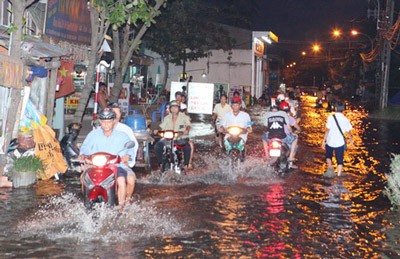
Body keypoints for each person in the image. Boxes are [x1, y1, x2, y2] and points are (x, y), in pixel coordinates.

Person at [78, 108, 135, 207]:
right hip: (95, 166)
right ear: (100, 122)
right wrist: (82, 155)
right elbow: (85, 148)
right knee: (83, 177)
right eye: (104, 122)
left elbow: (129, 148)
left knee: (122, 180)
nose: (106, 125)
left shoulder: (122, 135)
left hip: (116, 165)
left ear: (113, 121)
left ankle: (122, 207)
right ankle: (86, 203)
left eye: (109, 122)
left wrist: (127, 156)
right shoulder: (93, 135)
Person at [109, 103, 139, 201]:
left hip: (120, 163)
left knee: (130, 179)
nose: (115, 115)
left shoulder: (125, 130)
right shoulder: (99, 129)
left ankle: (127, 201)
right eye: (112, 112)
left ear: (120, 115)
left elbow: (133, 145)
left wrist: (128, 158)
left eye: (116, 113)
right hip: (103, 163)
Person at [154, 100, 192, 171]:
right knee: (157, 146)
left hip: (180, 137)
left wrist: (187, 130)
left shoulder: (184, 117)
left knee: (187, 147)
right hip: (168, 138)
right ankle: (160, 163)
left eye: (175, 107)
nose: (174, 109)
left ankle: (186, 165)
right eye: (172, 107)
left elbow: (188, 125)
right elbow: (161, 126)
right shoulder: (167, 118)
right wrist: (157, 130)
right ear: (170, 109)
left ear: (178, 108)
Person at [321, 101, 353, 177]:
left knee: (328, 156)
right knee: (340, 160)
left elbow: (327, 130)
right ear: (343, 109)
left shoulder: (330, 117)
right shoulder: (345, 119)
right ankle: (339, 175)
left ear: (335, 108)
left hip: (330, 141)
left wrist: (323, 141)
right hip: (340, 142)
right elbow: (348, 132)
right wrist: (351, 140)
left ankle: (330, 169)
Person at [262, 103, 298, 168]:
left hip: (271, 137)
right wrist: (292, 133)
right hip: (282, 137)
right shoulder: (283, 114)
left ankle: (267, 155)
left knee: (263, 137)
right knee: (295, 138)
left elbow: (265, 126)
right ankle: (290, 157)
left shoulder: (267, 114)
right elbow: (288, 127)